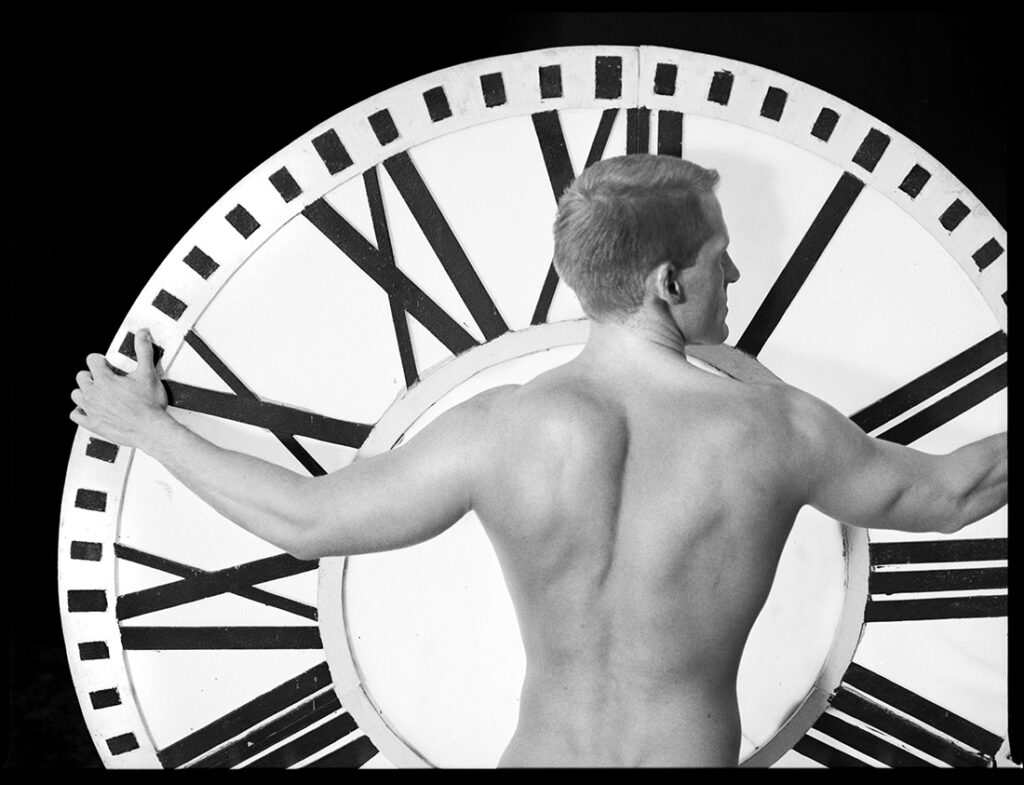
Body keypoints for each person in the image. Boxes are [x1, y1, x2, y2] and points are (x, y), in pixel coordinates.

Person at [70, 155, 1007, 768]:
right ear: (668, 282)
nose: (735, 277)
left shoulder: (501, 429)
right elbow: (957, 490)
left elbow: (308, 521)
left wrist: (148, 429)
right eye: (722, 257)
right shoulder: (773, 430)